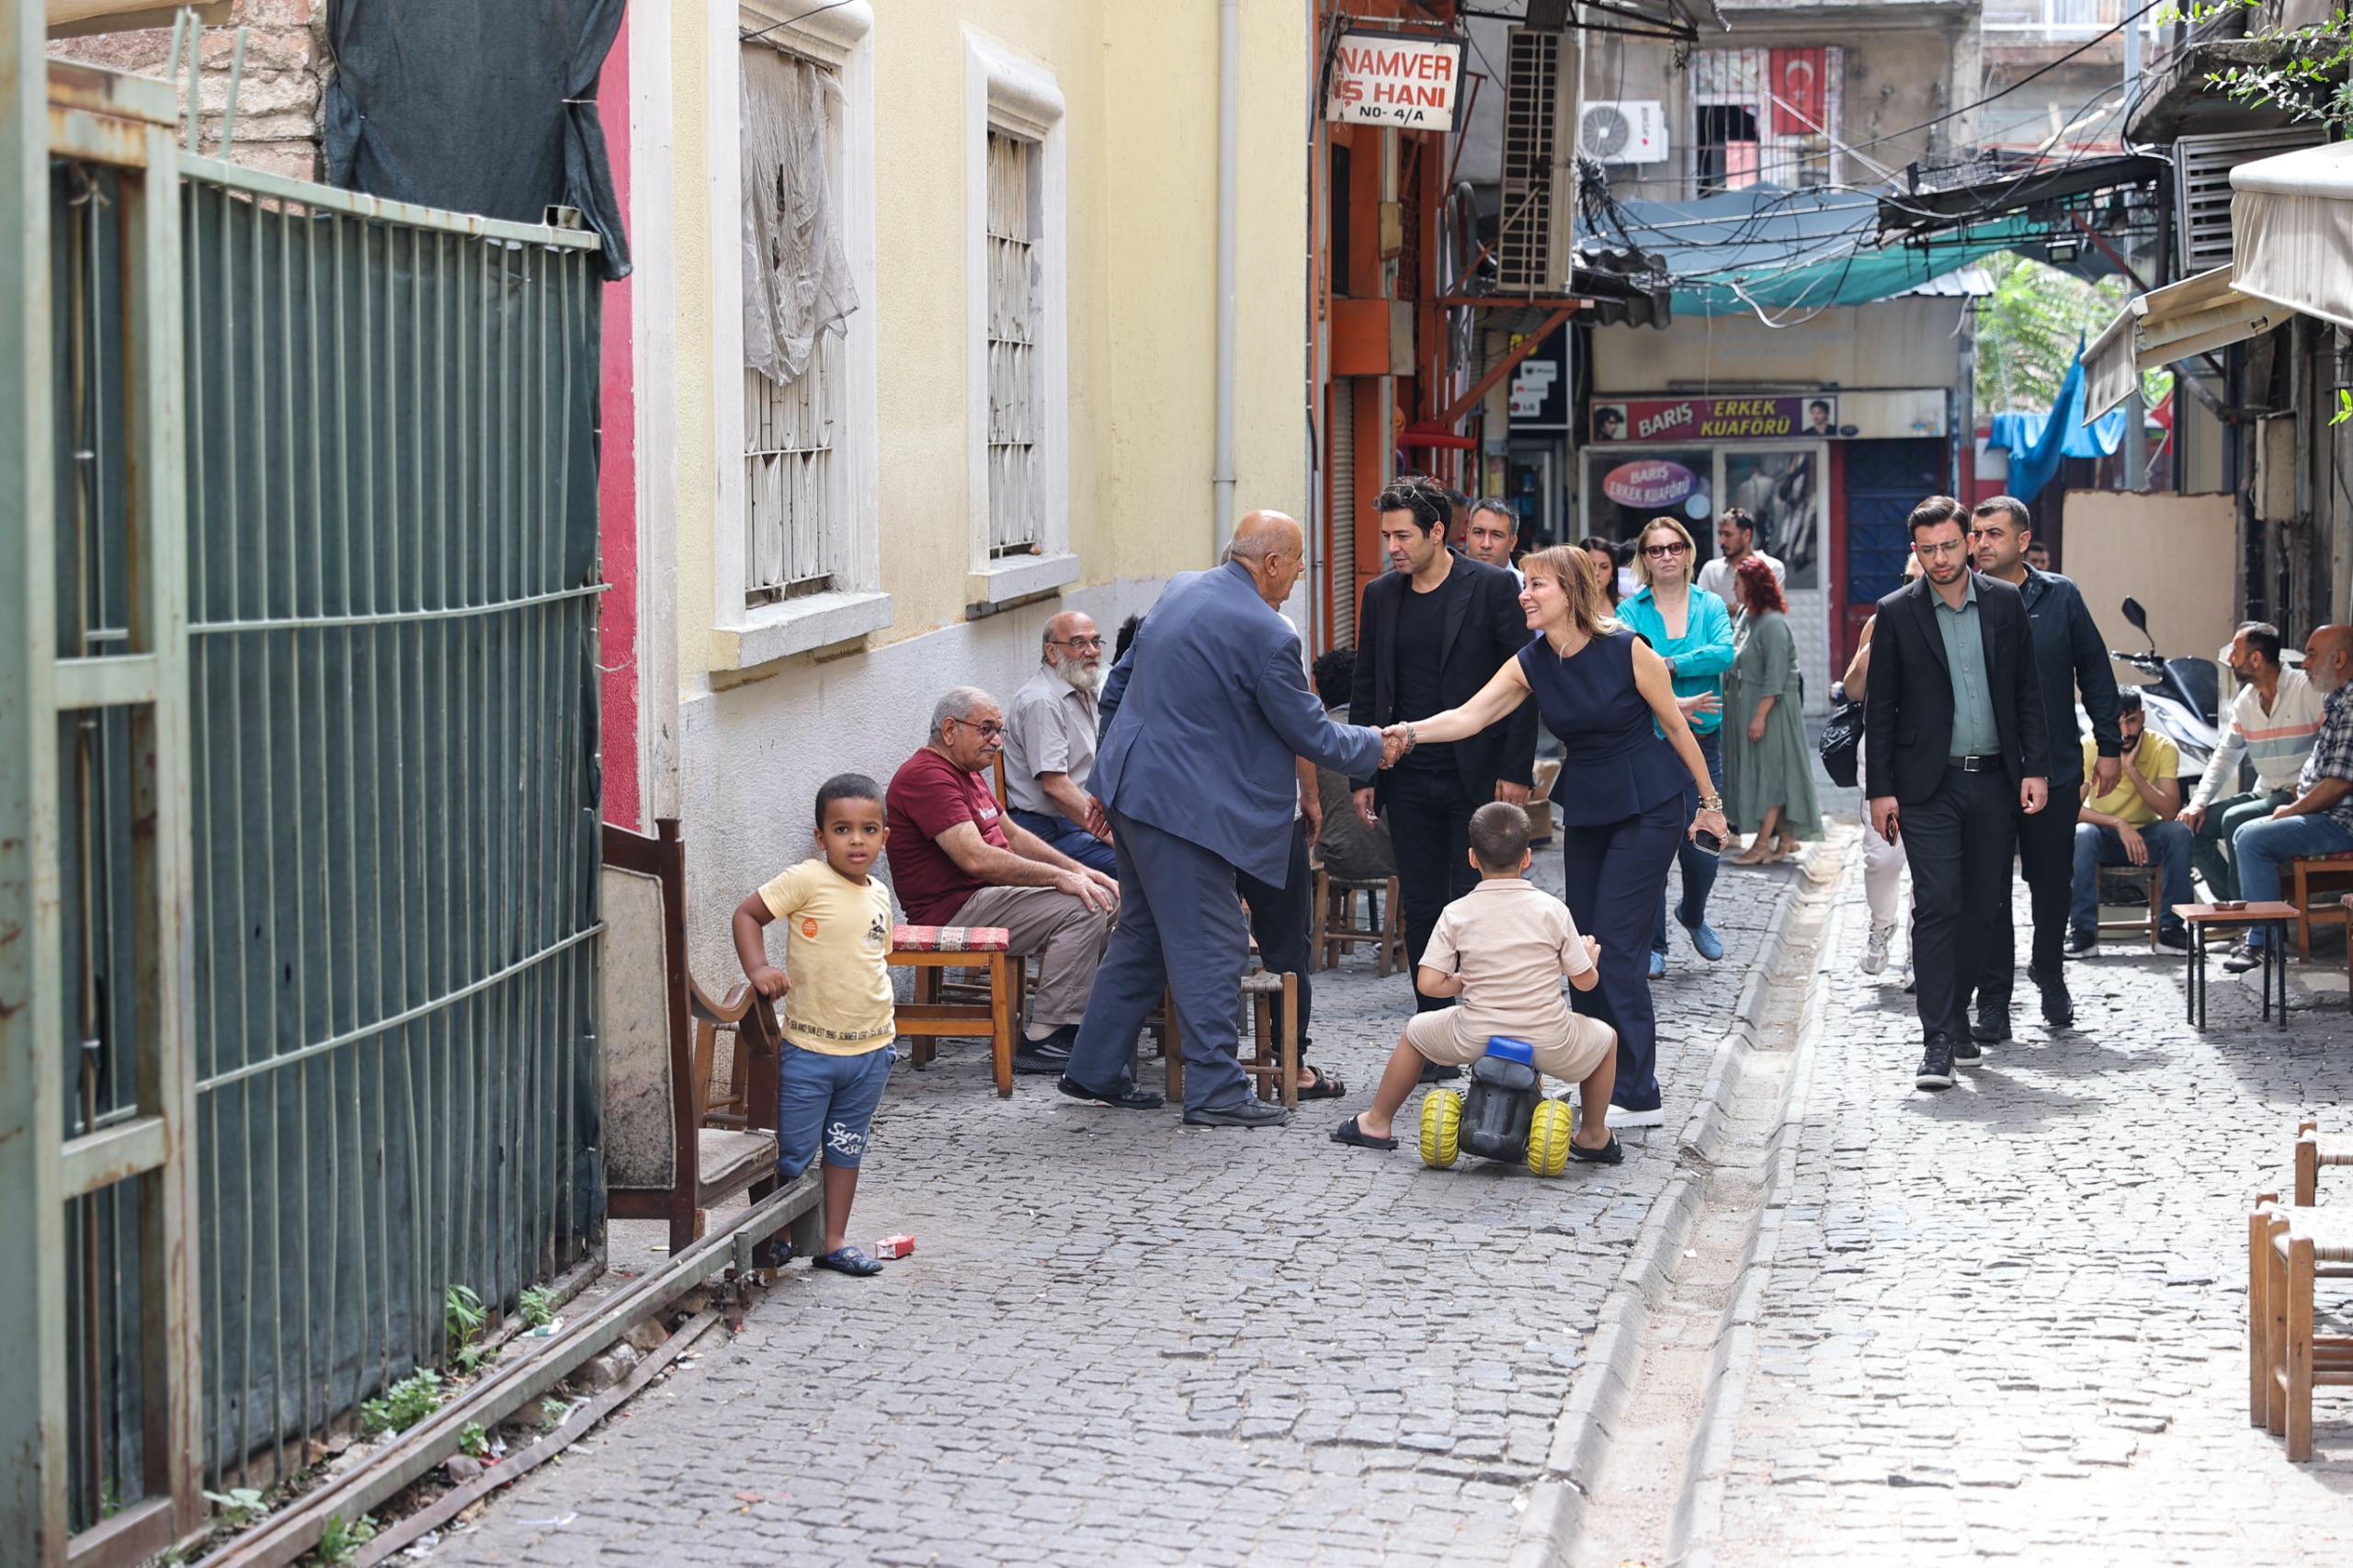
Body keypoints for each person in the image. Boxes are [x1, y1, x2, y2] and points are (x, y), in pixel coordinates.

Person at [1059, 510, 1397, 1125]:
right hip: (1180, 809)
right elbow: (1310, 731)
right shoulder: (1268, 634)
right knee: (1214, 943)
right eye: (1297, 564)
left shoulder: (1183, 586)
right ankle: (1216, 1091)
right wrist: (1379, 745)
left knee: (1145, 934)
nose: (1298, 576)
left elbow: (1118, 686)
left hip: (1136, 789)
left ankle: (1093, 1069)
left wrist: (1110, 771)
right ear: (1270, 563)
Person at [1376, 546, 1729, 1128]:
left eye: (1537, 584)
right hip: (1589, 805)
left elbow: (1674, 724)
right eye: (1526, 585)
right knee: (1581, 946)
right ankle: (1599, 1085)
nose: (1525, 594)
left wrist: (1710, 805)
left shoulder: (1627, 649)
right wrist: (1407, 733)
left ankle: (1638, 1094)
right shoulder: (1532, 660)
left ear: (1569, 592)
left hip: (1649, 804)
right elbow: (1470, 715)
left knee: (1614, 947)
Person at [1864, 496, 2050, 1093]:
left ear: (1969, 541)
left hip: (1994, 779)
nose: (1940, 559)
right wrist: (1881, 791)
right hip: (1928, 785)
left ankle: (1961, 1015)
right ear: (1915, 552)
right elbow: (1882, 707)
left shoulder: (2004, 603)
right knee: (1939, 902)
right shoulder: (1897, 612)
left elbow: (2028, 691)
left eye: (1949, 545)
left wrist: (2035, 768)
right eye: (1927, 550)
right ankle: (1939, 1038)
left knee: (1981, 906)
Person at [1328, 801, 1621, 1163]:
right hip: (1548, 1038)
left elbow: (1429, 984)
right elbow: (1585, 984)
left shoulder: (1457, 912)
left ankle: (1376, 1121)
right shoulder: (1552, 910)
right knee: (1607, 1039)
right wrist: (1588, 961)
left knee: (1416, 1032)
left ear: (1471, 857)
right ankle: (1593, 1134)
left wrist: (1463, 982)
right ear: (1527, 857)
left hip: (1475, 1036)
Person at [1348, 474, 1540, 1017]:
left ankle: (1483, 1018)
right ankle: (1433, 1028)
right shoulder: (1380, 595)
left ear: (1437, 532)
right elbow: (1368, 686)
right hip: (1406, 776)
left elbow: (1525, 683)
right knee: (1424, 903)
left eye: (1403, 536)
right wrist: (1363, 773)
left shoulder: (1491, 586)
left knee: (1478, 899)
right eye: (1387, 536)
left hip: (1476, 773)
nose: (1393, 548)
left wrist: (1516, 770)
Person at [885, 687, 1120, 1076]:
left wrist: (1080, 871)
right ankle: (1047, 1035)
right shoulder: (927, 776)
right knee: (1084, 906)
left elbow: (1011, 834)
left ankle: (1092, 1019)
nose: (996, 741)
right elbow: (976, 858)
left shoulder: (968, 772)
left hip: (987, 897)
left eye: (1000, 731)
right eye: (987, 729)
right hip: (954, 909)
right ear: (949, 730)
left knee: (1109, 893)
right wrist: (1063, 879)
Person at [1962, 495, 2122, 1035]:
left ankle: (2050, 971)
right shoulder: (1962, 599)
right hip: (1985, 770)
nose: (1981, 544)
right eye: (1977, 534)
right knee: (1987, 887)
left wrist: (2110, 748)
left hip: (2055, 767)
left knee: (2052, 880)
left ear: (2023, 540)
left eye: (1994, 534)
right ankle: (1993, 1000)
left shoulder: (2061, 597)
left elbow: (2096, 673)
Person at [729, 774, 899, 1277]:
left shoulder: (880, 894)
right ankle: (779, 1236)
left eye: (869, 830)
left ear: (884, 837)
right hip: (809, 1051)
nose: (856, 840)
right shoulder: (807, 879)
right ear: (821, 837)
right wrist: (758, 970)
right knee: (793, 1151)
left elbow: (872, 960)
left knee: (847, 1147)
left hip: (872, 1051)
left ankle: (833, 1241)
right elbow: (747, 914)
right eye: (842, 829)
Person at [1615, 515, 1734, 973]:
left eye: (1674, 548)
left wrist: (1665, 663)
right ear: (1644, 559)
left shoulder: (1709, 605)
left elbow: (1724, 653)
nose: (1666, 556)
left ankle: (1694, 912)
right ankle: (1655, 946)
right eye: (1655, 550)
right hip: (1649, 743)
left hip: (1702, 742)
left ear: (1688, 552)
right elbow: (1626, 667)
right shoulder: (1631, 611)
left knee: (1705, 845)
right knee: (1653, 850)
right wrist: (1675, 700)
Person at [2223, 625, 2353, 972]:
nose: (2305, 663)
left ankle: (2262, 942)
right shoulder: (2338, 701)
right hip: (2325, 812)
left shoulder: (2351, 705)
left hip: (2342, 822)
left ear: (2339, 659)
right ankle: (2261, 929)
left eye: (2312, 654)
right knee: (2242, 830)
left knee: (2252, 840)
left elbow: (2340, 783)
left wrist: (2292, 808)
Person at [2179, 621, 2321, 902]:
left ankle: (2246, 917)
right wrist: (2198, 803)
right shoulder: (2245, 701)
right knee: (2188, 829)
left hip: (2298, 794)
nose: (2230, 658)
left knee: (2235, 818)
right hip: (2265, 791)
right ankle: (2235, 906)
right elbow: (2226, 755)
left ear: (2256, 658)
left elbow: (2329, 743)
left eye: (2235, 651)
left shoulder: (2306, 689)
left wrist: (2308, 783)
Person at [1840, 552, 1923, 981]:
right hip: (1883, 762)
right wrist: (1867, 658)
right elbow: (1853, 692)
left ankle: (1918, 950)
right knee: (1883, 859)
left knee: (1929, 863)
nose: (1916, 587)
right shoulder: (1881, 620)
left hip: (1933, 764)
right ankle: (1881, 925)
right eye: (1910, 577)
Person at [2067, 689, 2191, 955]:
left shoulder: (2162, 747)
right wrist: (2118, 824)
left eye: (2132, 721)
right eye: (2117, 723)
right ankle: (2082, 933)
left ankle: (2170, 931)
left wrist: (2131, 771)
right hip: (2105, 837)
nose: (2125, 731)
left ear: (2143, 717)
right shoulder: (2090, 746)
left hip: (2148, 838)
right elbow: (2069, 810)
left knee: (2179, 832)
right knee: (2082, 834)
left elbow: (2170, 811)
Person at [1001, 611, 1118, 877]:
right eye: (1079, 643)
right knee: (1141, 866)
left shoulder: (1090, 689)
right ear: (1052, 652)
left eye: (1096, 642)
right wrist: (1110, 836)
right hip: (1048, 831)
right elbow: (1056, 787)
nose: (1091, 651)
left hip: (1085, 821)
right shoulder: (1041, 700)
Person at [1723, 555, 1824, 863]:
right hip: (1750, 706)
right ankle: (1786, 838)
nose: (1733, 587)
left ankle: (1763, 843)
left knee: (1771, 774)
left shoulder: (1773, 624)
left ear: (1752, 586)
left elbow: (1776, 675)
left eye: (1737, 582)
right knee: (1764, 771)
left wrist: (1759, 717)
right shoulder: (1747, 617)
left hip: (1772, 710)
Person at [1311, 647, 1396, 883]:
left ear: (1321, 693)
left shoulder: (1317, 736)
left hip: (1333, 860)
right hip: (1393, 859)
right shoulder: (1390, 734)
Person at [1694, 506, 1784, 608]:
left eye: (1728, 535)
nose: (1721, 541)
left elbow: (1769, 609)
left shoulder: (1771, 567)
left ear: (1747, 535)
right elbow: (1700, 610)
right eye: (1720, 534)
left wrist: (1728, 610)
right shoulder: (1711, 570)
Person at [1466, 498, 1523, 583]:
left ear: (1512, 542)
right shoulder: (1450, 585)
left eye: (1496, 535)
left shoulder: (1525, 590)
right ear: (1468, 536)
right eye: (1478, 533)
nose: (1486, 544)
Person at [1578, 536, 1622, 608]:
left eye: (1604, 567)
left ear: (1613, 571)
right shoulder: (1567, 608)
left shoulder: (1626, 610)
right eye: (1591, 567)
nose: (1596, 573)